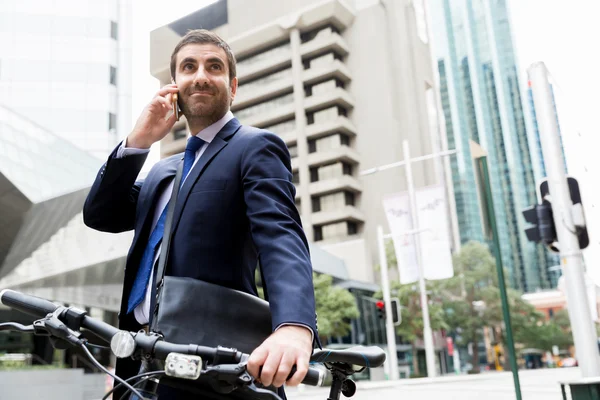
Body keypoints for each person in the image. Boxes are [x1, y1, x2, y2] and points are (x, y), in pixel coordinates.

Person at [83, 29, 319, 399]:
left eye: (214, 67)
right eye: (189, 67)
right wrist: (139, 141)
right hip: (141, 367)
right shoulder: (163, 170)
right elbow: (100, 214)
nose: (201, 76)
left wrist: (293, 326)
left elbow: (281, 237)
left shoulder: (254, 147)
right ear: (175, 84)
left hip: (213, 365)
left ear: (233, 86)